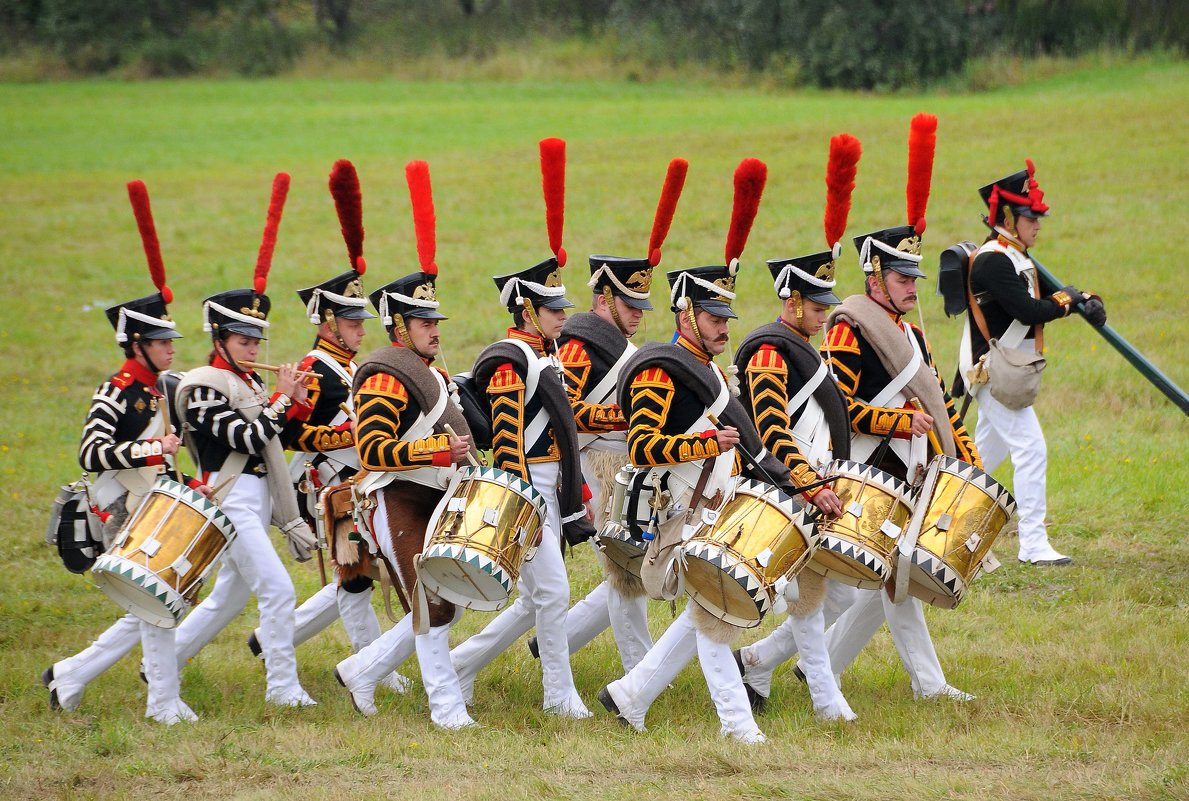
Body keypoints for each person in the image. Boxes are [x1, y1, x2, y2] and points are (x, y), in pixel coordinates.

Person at [597, 158, 790, 744]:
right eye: (713, 316)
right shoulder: (662, 369)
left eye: (726, 315)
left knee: (712, 607)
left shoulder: (707, 366)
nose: (723, 326)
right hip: (685, 506)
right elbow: (644, 446)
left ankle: (632, 695)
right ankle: (737, 724)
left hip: (717, 501)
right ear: (686, 314)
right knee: (717, 611)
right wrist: (707, 440)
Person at [812, 114, 979, 701]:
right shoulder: (848, 328)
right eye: (903, 276)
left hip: (906, 468)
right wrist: (897, 421)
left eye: (915, 275)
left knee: (893, 582)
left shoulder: (911, 333)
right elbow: (840, 409)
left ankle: (817, 669)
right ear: (874, 276)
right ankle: (779, 662)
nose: (914, 285)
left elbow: (934, 395)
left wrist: (968, 457)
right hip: (860, 467)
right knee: (884, 583)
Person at [42, 180, 209, 724]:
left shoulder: (160, 385)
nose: (170, 348)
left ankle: (73, 673)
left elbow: (164, 450)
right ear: (136, 343)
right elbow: (91, 453)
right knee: (159, 606)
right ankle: (162, 703)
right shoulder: (117, 388)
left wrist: (179, 472)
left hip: (155, 505)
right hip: (119, 508)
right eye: (161, 341)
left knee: (155, 604)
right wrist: (148, 448)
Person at [449, 138, 597, 719]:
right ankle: (559, 696)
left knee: (538, 596)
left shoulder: (547, 354)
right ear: (525, 311)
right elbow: (507, 436)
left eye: (561, 305)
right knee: (553, 593)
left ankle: (462, 666)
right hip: (528, 484)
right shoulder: (512, 358)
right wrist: (521, 499)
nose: (564, 313)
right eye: (551, 307)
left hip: (552, 480)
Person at [247, 160, 407, 696]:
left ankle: (276, 639)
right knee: (357, 578)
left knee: (359, 574)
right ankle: (373, 669)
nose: (361, 327)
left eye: (361, 319)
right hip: (330, 489)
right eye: (350, 320)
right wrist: (358, 436)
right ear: (325, 322)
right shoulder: (314, 371)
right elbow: (292, 435)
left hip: (360, 484)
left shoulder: (352, 366)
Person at [333, 159, 478, 729]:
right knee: (431, 607)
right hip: (396, 497)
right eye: (423, 322)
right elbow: (373, 450)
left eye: (434, 318)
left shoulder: (427, 369)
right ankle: (447, 711)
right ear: (398, 326)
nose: (435, 328)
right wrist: (437, 454)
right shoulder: (386, 375)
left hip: (434, 496)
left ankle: (361, 672)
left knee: (443, 601)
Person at [532, 157, 688, 674]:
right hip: (596, 467)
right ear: (604, 298)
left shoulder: (621, 342)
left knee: (635, 566)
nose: (640, 312)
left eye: (643, 303)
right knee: (628, 573)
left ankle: (554, 642)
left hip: (628, 465)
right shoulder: (580, 343)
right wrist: (622, 415)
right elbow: (567, 413)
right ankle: (639, 673)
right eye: (630, 303)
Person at [171, 173, 320, 707]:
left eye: (258, 338)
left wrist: (294, 399)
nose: (253, 347)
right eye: (243, 339)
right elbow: (251, 436)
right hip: (229, 496)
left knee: (226, 600)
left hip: (256, 499)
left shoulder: (248, 381)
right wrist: (281, 400)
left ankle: (155, 663)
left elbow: (281, 433)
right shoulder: (203, 386)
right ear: (219, 340)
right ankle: (282, 687)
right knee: (278, 591)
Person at [732, 134, 861, 720]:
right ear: (789, 301)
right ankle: (824, 699)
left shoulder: (805, 345)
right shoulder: (768, 351)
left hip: (812, 480)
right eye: (815, 305)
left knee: (828, 592)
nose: (825, 313)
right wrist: (809, 483)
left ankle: (756, 664)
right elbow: (772, 430)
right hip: (786, 483)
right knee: (808, 594)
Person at [958, 160, 1107, 566]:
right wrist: (1068, 303)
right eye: (1030, 217)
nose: (1038, 224)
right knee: (1031, 449)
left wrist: (1084, 298)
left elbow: (1052, 291)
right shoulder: (993, 260)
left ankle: (949, 524)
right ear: (1008, 218)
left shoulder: (1015, 254)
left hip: (1006, 366)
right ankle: (1033, 544)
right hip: (994, 367)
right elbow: (1029, 309)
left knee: (981, 460)